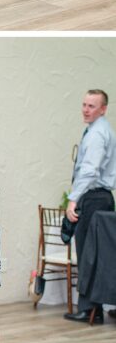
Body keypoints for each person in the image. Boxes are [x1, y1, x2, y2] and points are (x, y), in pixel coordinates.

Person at [63, 85, 116, 322]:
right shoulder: (100, 130)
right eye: (84, 105)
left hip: (94, 198)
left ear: (103, 109)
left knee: (88, 253)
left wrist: (73, 199)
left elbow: (90, 170)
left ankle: (89, 311)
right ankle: (94, 309)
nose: (86, 110)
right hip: (101, 198)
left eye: (91, 106)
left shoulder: (96, 134)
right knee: (98, 254)